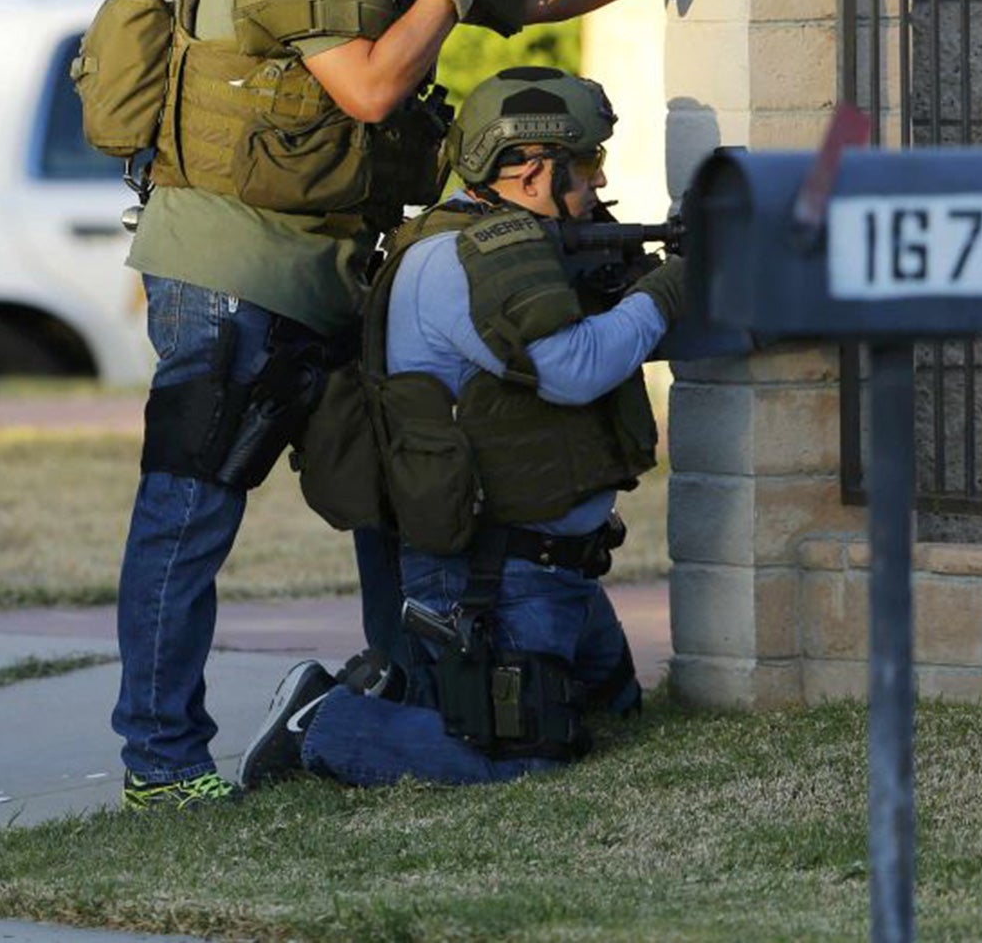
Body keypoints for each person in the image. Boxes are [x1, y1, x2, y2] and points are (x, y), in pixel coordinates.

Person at [94, 0, 722, 809]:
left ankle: (407, 698)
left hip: (318, 268)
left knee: (401, 487)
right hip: (233, 273)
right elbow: (374, 86)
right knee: (187, 513)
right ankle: (159, 763)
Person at [237, 68, 683, 789]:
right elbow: (571, 366)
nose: (598, 186)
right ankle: (321, 719)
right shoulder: (469, 256)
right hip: (491, 576)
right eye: (590, 164)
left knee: (615, 719)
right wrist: (666, 291)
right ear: (535, 171)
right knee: (525, 756)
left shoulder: (499, 238)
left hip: (554, 571)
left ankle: (404, 692)